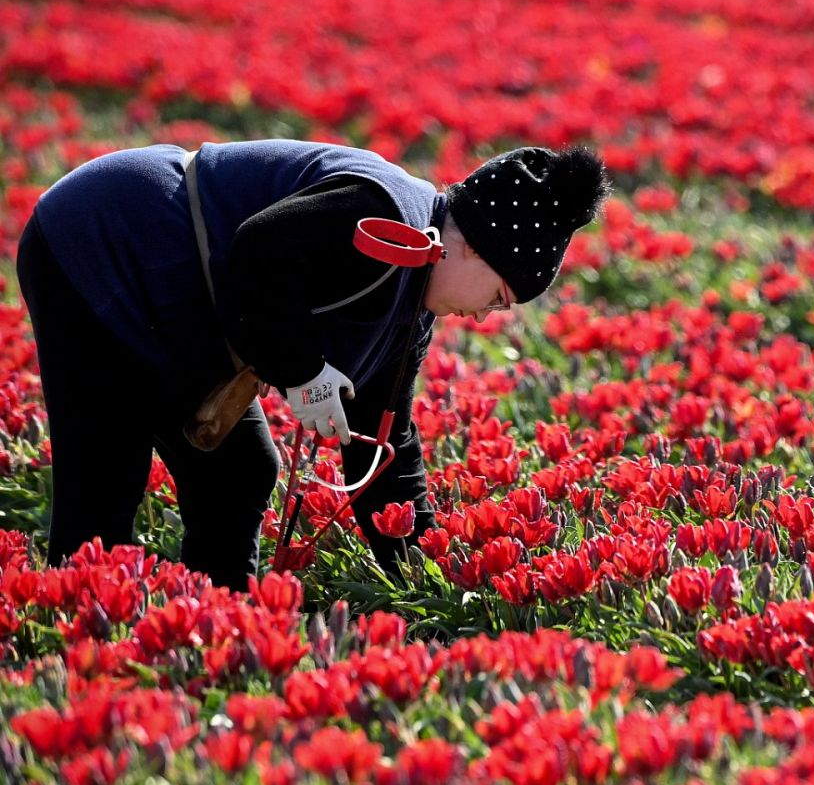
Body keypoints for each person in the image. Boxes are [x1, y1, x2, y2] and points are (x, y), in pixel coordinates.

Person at [18, 139, 609, 589]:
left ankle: (211, 624)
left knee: (239, 470)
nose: (484, 316)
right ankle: (75, 641)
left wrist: (429, 573)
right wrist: (302, 371)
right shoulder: (388, 217)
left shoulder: (411, 309)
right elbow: (261, 248)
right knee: (107, 472)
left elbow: (382, 443)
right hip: (106, 238)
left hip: (173, 294)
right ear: (475, 244)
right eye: (497, 297)